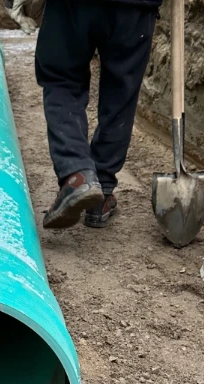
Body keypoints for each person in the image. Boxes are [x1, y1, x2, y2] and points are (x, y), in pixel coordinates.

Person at [25, 0, 162, 229]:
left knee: (62, 80)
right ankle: (103, 191)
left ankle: (77, 174)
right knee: (121, 94)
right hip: (136, 9)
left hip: (71, 7)